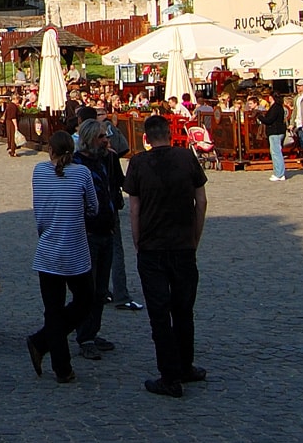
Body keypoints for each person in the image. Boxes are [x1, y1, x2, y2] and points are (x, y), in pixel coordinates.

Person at [124, 113, 209, 399]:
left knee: (159, 313)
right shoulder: (187, 159)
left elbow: (133, 208)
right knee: (184, 309)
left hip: (152, 246)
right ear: (170, 134)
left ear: (146, 138)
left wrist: (137, 241)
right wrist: (195, 236)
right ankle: (185, 365)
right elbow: (202, 202)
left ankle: (169, 376)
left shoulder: (138, 163)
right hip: (183, 244)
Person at [25, 131, 98, 384]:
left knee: (53, 310)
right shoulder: (82, 174)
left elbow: (39, 210)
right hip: (75, 249)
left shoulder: (39, 172)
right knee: (85, 300)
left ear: (50, 150)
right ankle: (57, 360)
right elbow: (94, 207)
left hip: (48, 249)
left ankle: (51, 353)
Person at [74, 121, 124, 360]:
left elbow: (111, 189)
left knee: (101, 289)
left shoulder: (106, 161)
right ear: (88, 139)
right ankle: (84, 336)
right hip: (88, 234)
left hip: (106, 230)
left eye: (106, 136)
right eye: (101, 137)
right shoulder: (76, 164)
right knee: (88, 288)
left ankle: (93, 332)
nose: (106, 140)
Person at [262, 88, 290, 182]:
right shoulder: (280, 107)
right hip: (279, 131)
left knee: (276, 153)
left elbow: (269, 120)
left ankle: (279, 173)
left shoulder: (275, 107)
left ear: (271, 97)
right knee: (277, 152)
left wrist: (260, 117)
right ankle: (279, 172)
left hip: (275, 132)